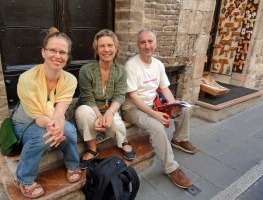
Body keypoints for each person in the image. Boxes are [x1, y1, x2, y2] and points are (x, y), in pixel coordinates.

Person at [121, 28, 197, 189]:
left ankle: (180, 139)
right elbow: (133, 97)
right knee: (157, 127)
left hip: (152, 104)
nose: (147, 45)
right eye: (143, 42)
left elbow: (165, 89)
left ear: (155, 44)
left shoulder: (158, 64)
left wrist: (173, 105)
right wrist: (155, 114)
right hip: (132, 108)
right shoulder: (131, 65)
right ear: (138, 45)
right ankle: (171, 167)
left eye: (150, 41)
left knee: (184, 109)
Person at [12, 27, 81, 199]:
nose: (58, 56)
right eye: (53, 50)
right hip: (26, 122)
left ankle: (73, 164)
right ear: (43, 52)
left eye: (63, 52)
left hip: (49, 119)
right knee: (42, 137)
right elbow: (38, 117)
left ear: (67, 56)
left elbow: (60, 110)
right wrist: (53, 129)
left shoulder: (70, 79)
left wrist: (57, 126)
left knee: (70, 132)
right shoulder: (28, 78)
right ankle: (24, 179)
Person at [75, 29, 136, 169]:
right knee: (83, 112)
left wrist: (109, 113)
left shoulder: (121, 71)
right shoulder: (86, 70)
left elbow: (120, 95)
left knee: (117, 125)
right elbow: (88, 98)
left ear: (116, 48)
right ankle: (92, 148)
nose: (106, 49)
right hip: (91, 108)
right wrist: (98, 116)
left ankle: (123, 142)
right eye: (102, 46)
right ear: (96, 49)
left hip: (110, 108)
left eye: (110, 45)